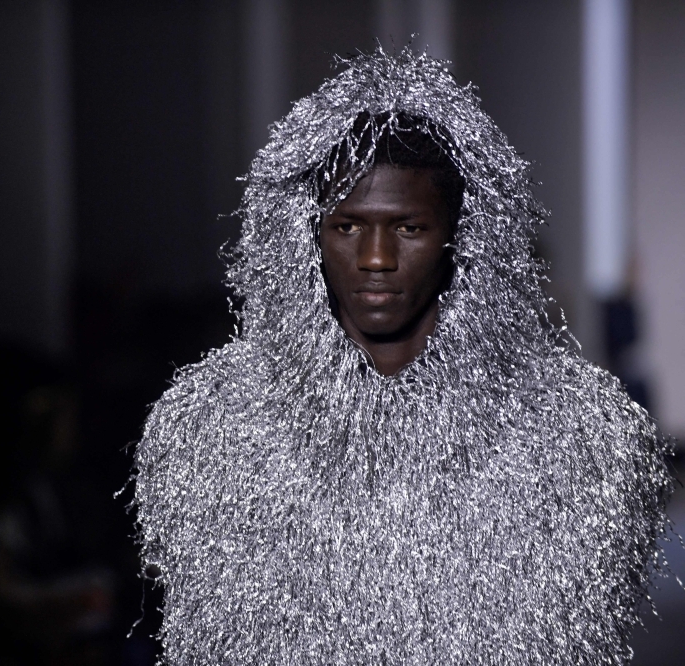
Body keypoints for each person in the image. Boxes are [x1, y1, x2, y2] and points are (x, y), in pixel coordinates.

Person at [131, 47, 673, 664]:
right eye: (347, 227)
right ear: (307, 235)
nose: (376, 259)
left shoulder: (575, 439)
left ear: (461, 238)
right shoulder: (210, 430)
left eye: (409, 228)